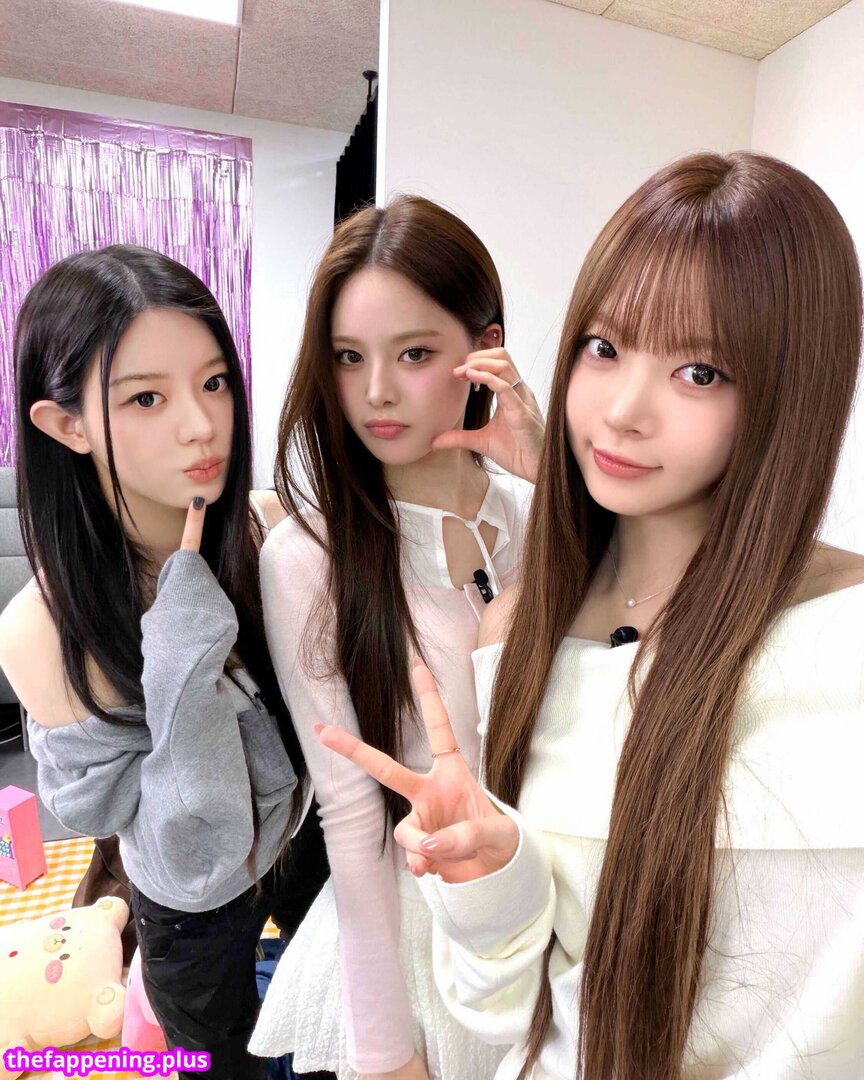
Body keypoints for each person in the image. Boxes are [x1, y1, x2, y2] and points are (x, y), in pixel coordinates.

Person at [312, 153, 864, 1079]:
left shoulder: (842, 634)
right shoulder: (519, 629)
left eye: (700, 371)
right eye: (603, 350)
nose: (622, 412)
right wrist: (488, 880)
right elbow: (504, 1008)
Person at [0, 245, 321, 1080]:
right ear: (67, 425)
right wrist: (182, 646)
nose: (201, 424)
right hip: (191, 895)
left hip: (303, 830)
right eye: (146, 397)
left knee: (334, 1017)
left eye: (214, 383)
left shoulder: (264, 527)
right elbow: (191, 842)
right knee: (217, 1059)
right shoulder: (42, 630)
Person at [248, 196, 544, 1080]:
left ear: (485, 350)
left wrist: (552, 474)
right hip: (419, 937)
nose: (375, 391)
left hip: (545, 905)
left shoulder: (541, 518)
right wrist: (385, 1050)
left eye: (413, 353)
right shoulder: (309, 558)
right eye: (349, 357)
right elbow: (351, 815)